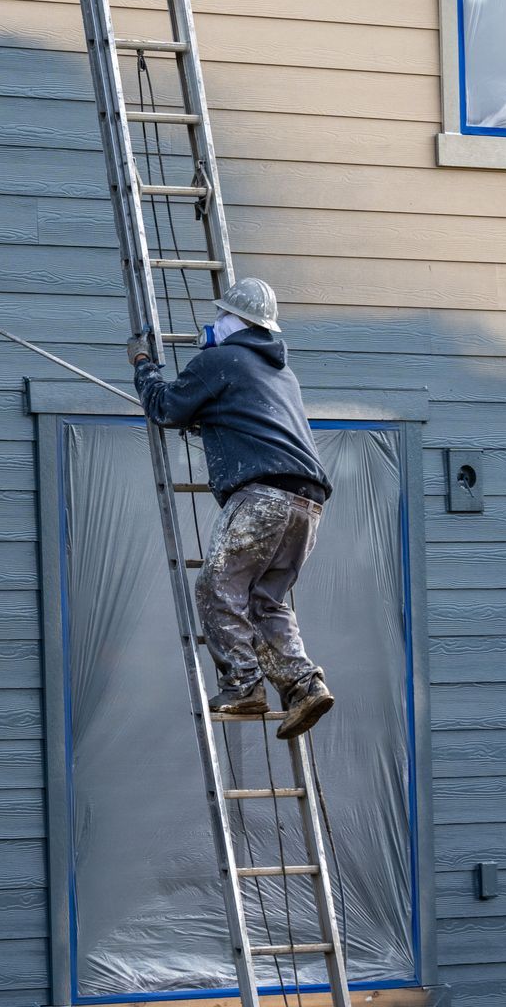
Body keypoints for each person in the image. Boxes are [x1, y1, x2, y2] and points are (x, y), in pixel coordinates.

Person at [128, 276, 335, 740]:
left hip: (263, 496)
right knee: (265, 601)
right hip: (307, 504)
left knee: (217, 586)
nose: (215, 322)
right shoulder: (280, 373)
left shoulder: (220, 359)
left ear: (236, 321)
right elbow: (250, 422)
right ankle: (304, 685)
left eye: (222, 315)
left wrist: (142, 363)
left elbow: (164, 408)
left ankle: (242, 685)